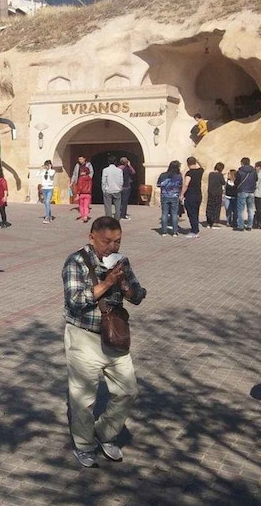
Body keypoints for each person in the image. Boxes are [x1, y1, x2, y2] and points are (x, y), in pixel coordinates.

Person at [63, 216, 147, 467]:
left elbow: (138, 295)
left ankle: (105, 433)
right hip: (83, 336)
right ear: (91, 238)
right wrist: (107, 283)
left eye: (117, 241)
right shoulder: (75, 261)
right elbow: (75, 301)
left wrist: (124, 285)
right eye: (106, 241)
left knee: (128, 391)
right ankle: (84, 444)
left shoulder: (121, 261)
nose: (112, 247)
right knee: (83, 398)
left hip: (114, 336)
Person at [180, 157, 204, 238]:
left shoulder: (189, 173)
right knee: (196, 213)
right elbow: (203, 167)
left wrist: (182, 194)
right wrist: (198, 161)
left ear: (187, 163)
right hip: (198, 195)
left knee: (191, 214)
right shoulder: (199, 171)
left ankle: (195, 231)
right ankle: (195, 229)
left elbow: (186, 184)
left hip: (190, 195)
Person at [157, 160, 183, 237]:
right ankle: (175, 232)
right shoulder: (179, 176)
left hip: (164, 196)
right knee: (174, 214)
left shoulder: (163, 175)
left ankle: (164, 231)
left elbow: (158, 184)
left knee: (164, 213)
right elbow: (180, 186)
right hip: (174, 196)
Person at [235, 157, 257, 231]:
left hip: (242, 191)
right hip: (251, 191)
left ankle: (240, 226)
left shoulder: (240, 171)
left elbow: (236, 182)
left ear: (242, 163)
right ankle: (249, 225)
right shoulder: (254, 171)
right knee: (250, 209)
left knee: (241, 209)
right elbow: (256, 179)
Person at [206, 162, 226, 229]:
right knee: (216, 208)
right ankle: (215, 223)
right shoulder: (220, 175)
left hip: (210, 193)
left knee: (210, 207)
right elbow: (223, 182)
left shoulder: (211, 174)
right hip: (217, 193)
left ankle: (209, 223)